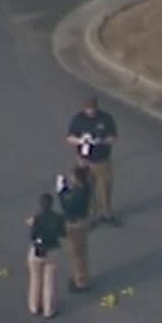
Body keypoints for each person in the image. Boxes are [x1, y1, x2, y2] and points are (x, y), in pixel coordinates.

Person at [66, 95, 120, 226]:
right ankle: (90, 217)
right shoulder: (78, 119)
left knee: (105, 187)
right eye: (88, 109)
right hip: (84, 162)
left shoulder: (106, 119)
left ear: (97, 108)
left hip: (103, 160)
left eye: (92, 109)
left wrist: (100, 141)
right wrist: (80, 141)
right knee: (87, 190)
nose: (90, 112)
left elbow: (113, 137)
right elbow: (69, 138)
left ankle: (106, 213)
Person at [56, 163, 95, 292]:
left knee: (77, 254)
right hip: (83, 221)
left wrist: (61, 192)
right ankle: (83, 277)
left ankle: (81, 281)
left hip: (75, 225)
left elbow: (68, 207)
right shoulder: (86, 187)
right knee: (82, 251)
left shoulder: (78, 194)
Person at [26, 192, 65, 319]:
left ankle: (34, 306)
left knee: (35, 279)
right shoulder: (58, 218)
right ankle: (49, 309)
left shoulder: (37, 218)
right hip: (52, 251)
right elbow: (63, 233)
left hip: (37, 251)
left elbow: (32, 236)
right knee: (49, 281)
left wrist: (32, 224)